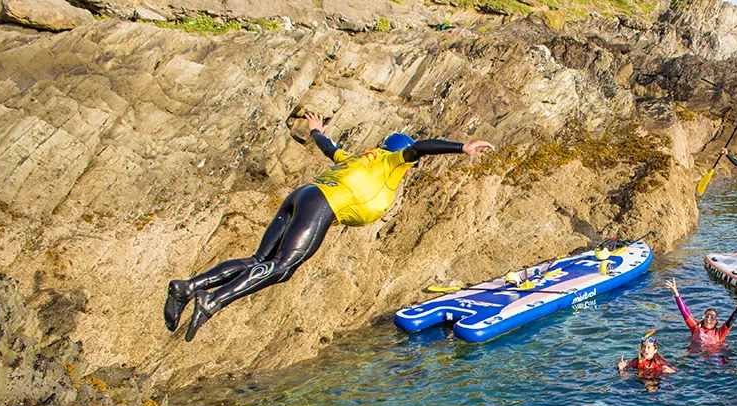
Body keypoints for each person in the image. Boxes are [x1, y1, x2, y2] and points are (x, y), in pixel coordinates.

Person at [164, 112, 496, 341]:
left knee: (258, 262)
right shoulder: (390, 161)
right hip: (323, 204)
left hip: (301, 197)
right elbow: (421, 146)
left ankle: (188, 287)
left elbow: (329, 147)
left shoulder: (356, 158)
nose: (411, 166)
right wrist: (461, 147)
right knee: (281, 269)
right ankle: (213, 301)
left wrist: (315, 130)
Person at [665, 279, 737, 345]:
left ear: (716, 321)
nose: (708, 319)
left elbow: (730, 322)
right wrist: (676, 294)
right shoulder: (695, 328)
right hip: (696, 358)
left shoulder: (719, 334)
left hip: (714, 359)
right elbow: (685, 312)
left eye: (712, 317)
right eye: (706, 316)